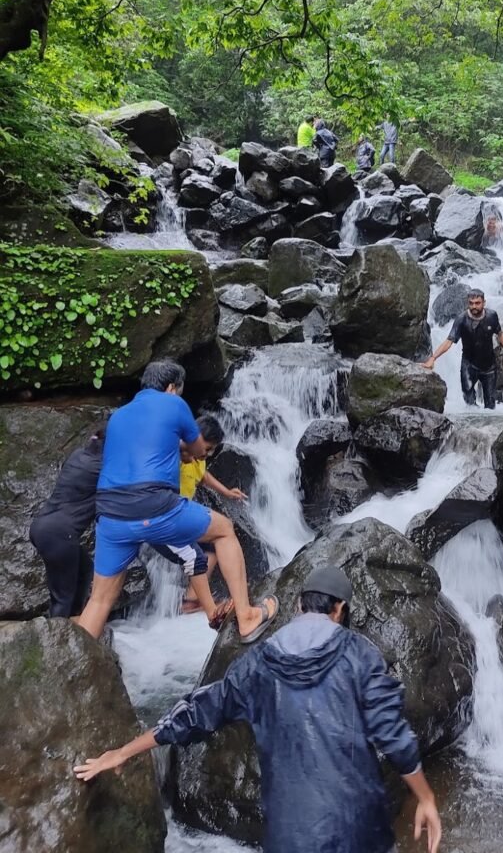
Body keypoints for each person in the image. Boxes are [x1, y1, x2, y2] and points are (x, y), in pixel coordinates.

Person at [75, 565, 442, 853]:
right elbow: (394, 735)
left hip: (290, 836)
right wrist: (424, 797)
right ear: (340, 610)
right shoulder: (359, 654)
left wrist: (124, 752)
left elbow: (195, 713)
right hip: (358, 829)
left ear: (298, 606)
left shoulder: (260, 663)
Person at [76, 359, 278, 644]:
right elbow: (197, 449)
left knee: (98, 601)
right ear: (172, 388)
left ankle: (75, 667)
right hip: (154, 505)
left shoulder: (119, 416)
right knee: (224, 529)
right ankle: (247, 617)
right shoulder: (173, 405)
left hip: (110, 515)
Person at [29, 424, 106, 618]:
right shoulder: (102, 466)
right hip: (60, 533)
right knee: (62, 597)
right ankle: (59, 639)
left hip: (42, 526)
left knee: (85, 569)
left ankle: (74, 621)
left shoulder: (78, 455)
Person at [176, 413, 247, 617]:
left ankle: (191, 599)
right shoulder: (181, 455)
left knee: (211, 548)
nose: (205, 454)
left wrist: (226, 491)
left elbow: (203, 477)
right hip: (171, 514)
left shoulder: (198, 460)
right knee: (217, 536)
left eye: (210, 451)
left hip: (183, 513)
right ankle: (203, 605)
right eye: (205, 448)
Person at [421, 289, 503, 409]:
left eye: (477, 303)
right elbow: (449, 341)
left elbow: (500, 334)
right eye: (471, 303)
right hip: (469, 365)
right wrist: (433, 358)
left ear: (484, 303)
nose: (474, 306)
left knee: (490, 406)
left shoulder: (492, 316)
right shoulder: (461, 320)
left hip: (489, 367)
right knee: (469, 403)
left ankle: (487, 427)